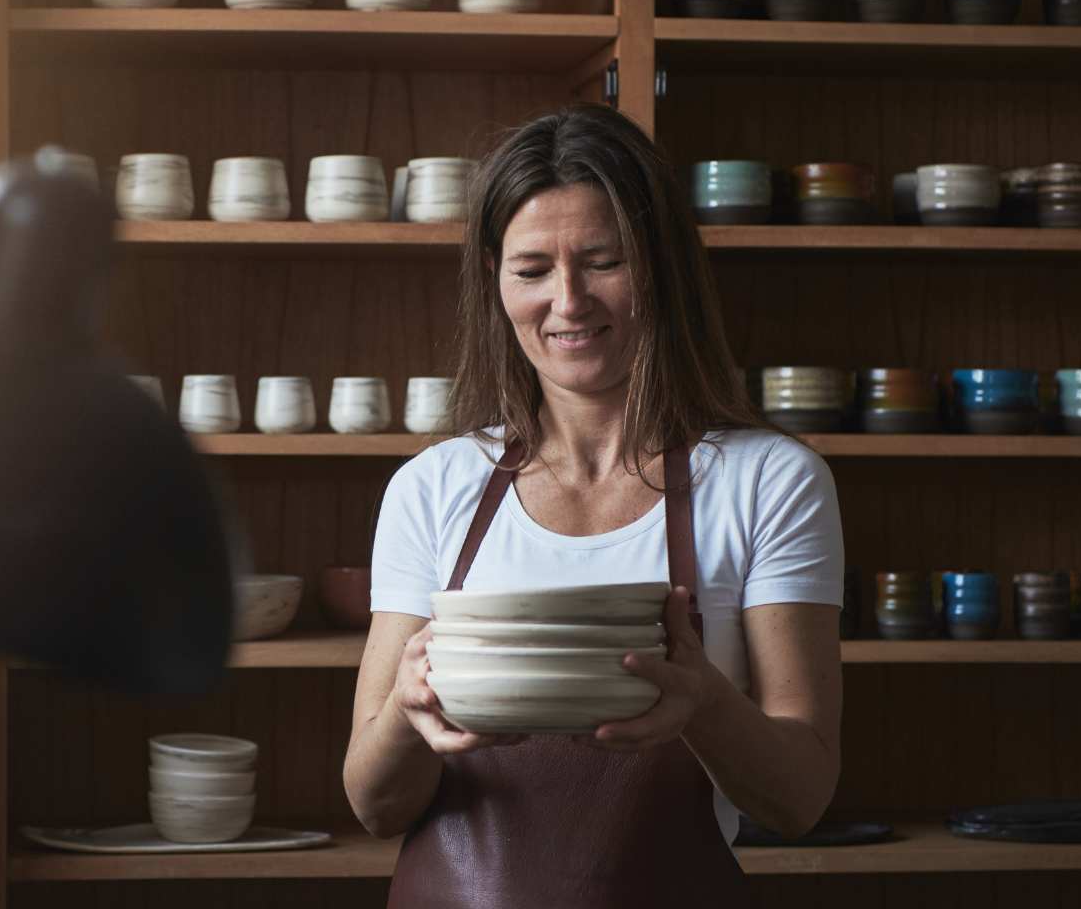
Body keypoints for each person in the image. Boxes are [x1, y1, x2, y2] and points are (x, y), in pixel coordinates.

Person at [342, 104, 844, 907]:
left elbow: (800, 795)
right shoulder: (433, 486)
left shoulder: (770, 481)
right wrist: (410, 710)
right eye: (532, 269)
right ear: (494, 280)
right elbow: (373, 804)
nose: (568, 302)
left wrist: (702, 701)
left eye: (603, 260)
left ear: (662, 267)